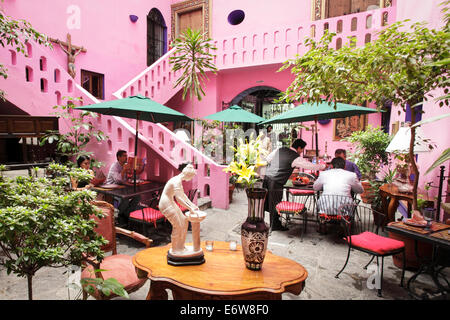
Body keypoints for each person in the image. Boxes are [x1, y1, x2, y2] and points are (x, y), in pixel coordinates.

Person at [263, 138, 326, 231]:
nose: (301, 152)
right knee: (275, 203)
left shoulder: (280, 149)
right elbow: (309, 165)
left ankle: (262, 222)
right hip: (276, 180)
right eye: (302, 149)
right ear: (299, 148)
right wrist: (323, 166)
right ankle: (275, 226)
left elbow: (268, 159)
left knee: (265, 201)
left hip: (267, 176)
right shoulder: (295, 157)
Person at [158, 162, 200, 254]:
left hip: (170, 202)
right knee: (177, 226)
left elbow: (182, 195)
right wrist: (190, 208)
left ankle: (181, 246)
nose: (191, 179)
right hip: (165, 204)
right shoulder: (176, 181)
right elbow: (179, 198)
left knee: (184, 221)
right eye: (191, 177)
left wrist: (192, 205)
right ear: (188, 175)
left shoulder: (178, 180)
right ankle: (175, 248)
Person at [106, 150, 140, 226]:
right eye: (124, 156)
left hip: (122, 187)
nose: (126, 157)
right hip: (112, 188)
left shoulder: (125, 165)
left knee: (137, 196)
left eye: (126, 156)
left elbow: (126, 179)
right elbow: (118, 180)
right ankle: (118, 215)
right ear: (119, 157)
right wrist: (124, 170)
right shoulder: (114, 166)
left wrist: (133, 171)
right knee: (125, 199)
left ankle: (126, 214)